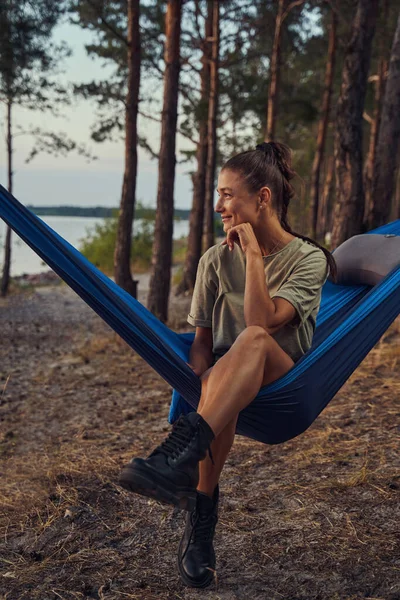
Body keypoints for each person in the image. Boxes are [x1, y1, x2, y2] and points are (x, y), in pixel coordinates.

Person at [119, 141, 337, 589]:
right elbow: (201, 343)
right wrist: (201, 379)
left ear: (262, 198)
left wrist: (254, 255)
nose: (218, 205)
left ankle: (177, 459)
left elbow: (261, 323)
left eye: (226, 194)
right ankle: (199, 519)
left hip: (282, 375)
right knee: (223, 373)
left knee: (252, 338)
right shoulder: (214, 260)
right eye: (218, 194)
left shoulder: (308, 259)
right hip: (225, 375)